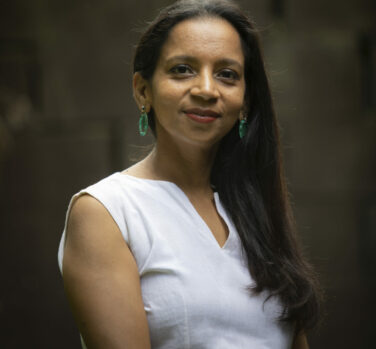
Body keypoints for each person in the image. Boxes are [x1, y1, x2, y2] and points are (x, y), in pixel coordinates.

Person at [58, 0, 321, 348]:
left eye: (227, 74)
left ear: (245, 101)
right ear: (143, 91)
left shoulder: (257, 212)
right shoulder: (107, 212)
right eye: (183, 69)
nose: (207, 90)